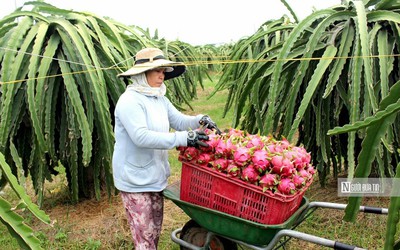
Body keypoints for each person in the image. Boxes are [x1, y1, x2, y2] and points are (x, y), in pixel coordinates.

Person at [112, 47, 219, 249]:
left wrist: (200, 119)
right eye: (157, 71)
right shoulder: (129, 101)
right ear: (142, 73)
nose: (162, 76)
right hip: (135, 180)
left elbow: (178, 120)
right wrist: (185, 138)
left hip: (154, 176)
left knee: (153, 231)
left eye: (163, 71)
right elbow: (141, 136)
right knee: (144, 238)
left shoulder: (159, 97)